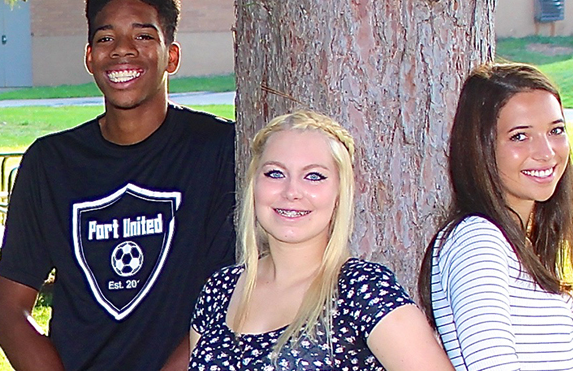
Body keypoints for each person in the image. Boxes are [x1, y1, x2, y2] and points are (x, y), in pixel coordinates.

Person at [0, 0, 238, 371]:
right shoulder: (51, 164)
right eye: (106, 38)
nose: (123, 49)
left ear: (171, 56)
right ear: (89, 58)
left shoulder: (218, 151)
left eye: (143, 35)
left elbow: (230, 301)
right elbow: (10, 309)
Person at [176, 111, 450, 370]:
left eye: (314, 176)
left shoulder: (361, 291)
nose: (292, 191)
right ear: (253, 185)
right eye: (275, 173)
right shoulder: (219, 290)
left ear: (339, 193)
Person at [420, 63, 573, 370]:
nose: (546, 152)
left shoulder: (522, 243)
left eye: (556, 131)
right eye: (519, 136)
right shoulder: (477, 240)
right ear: (481, 147)